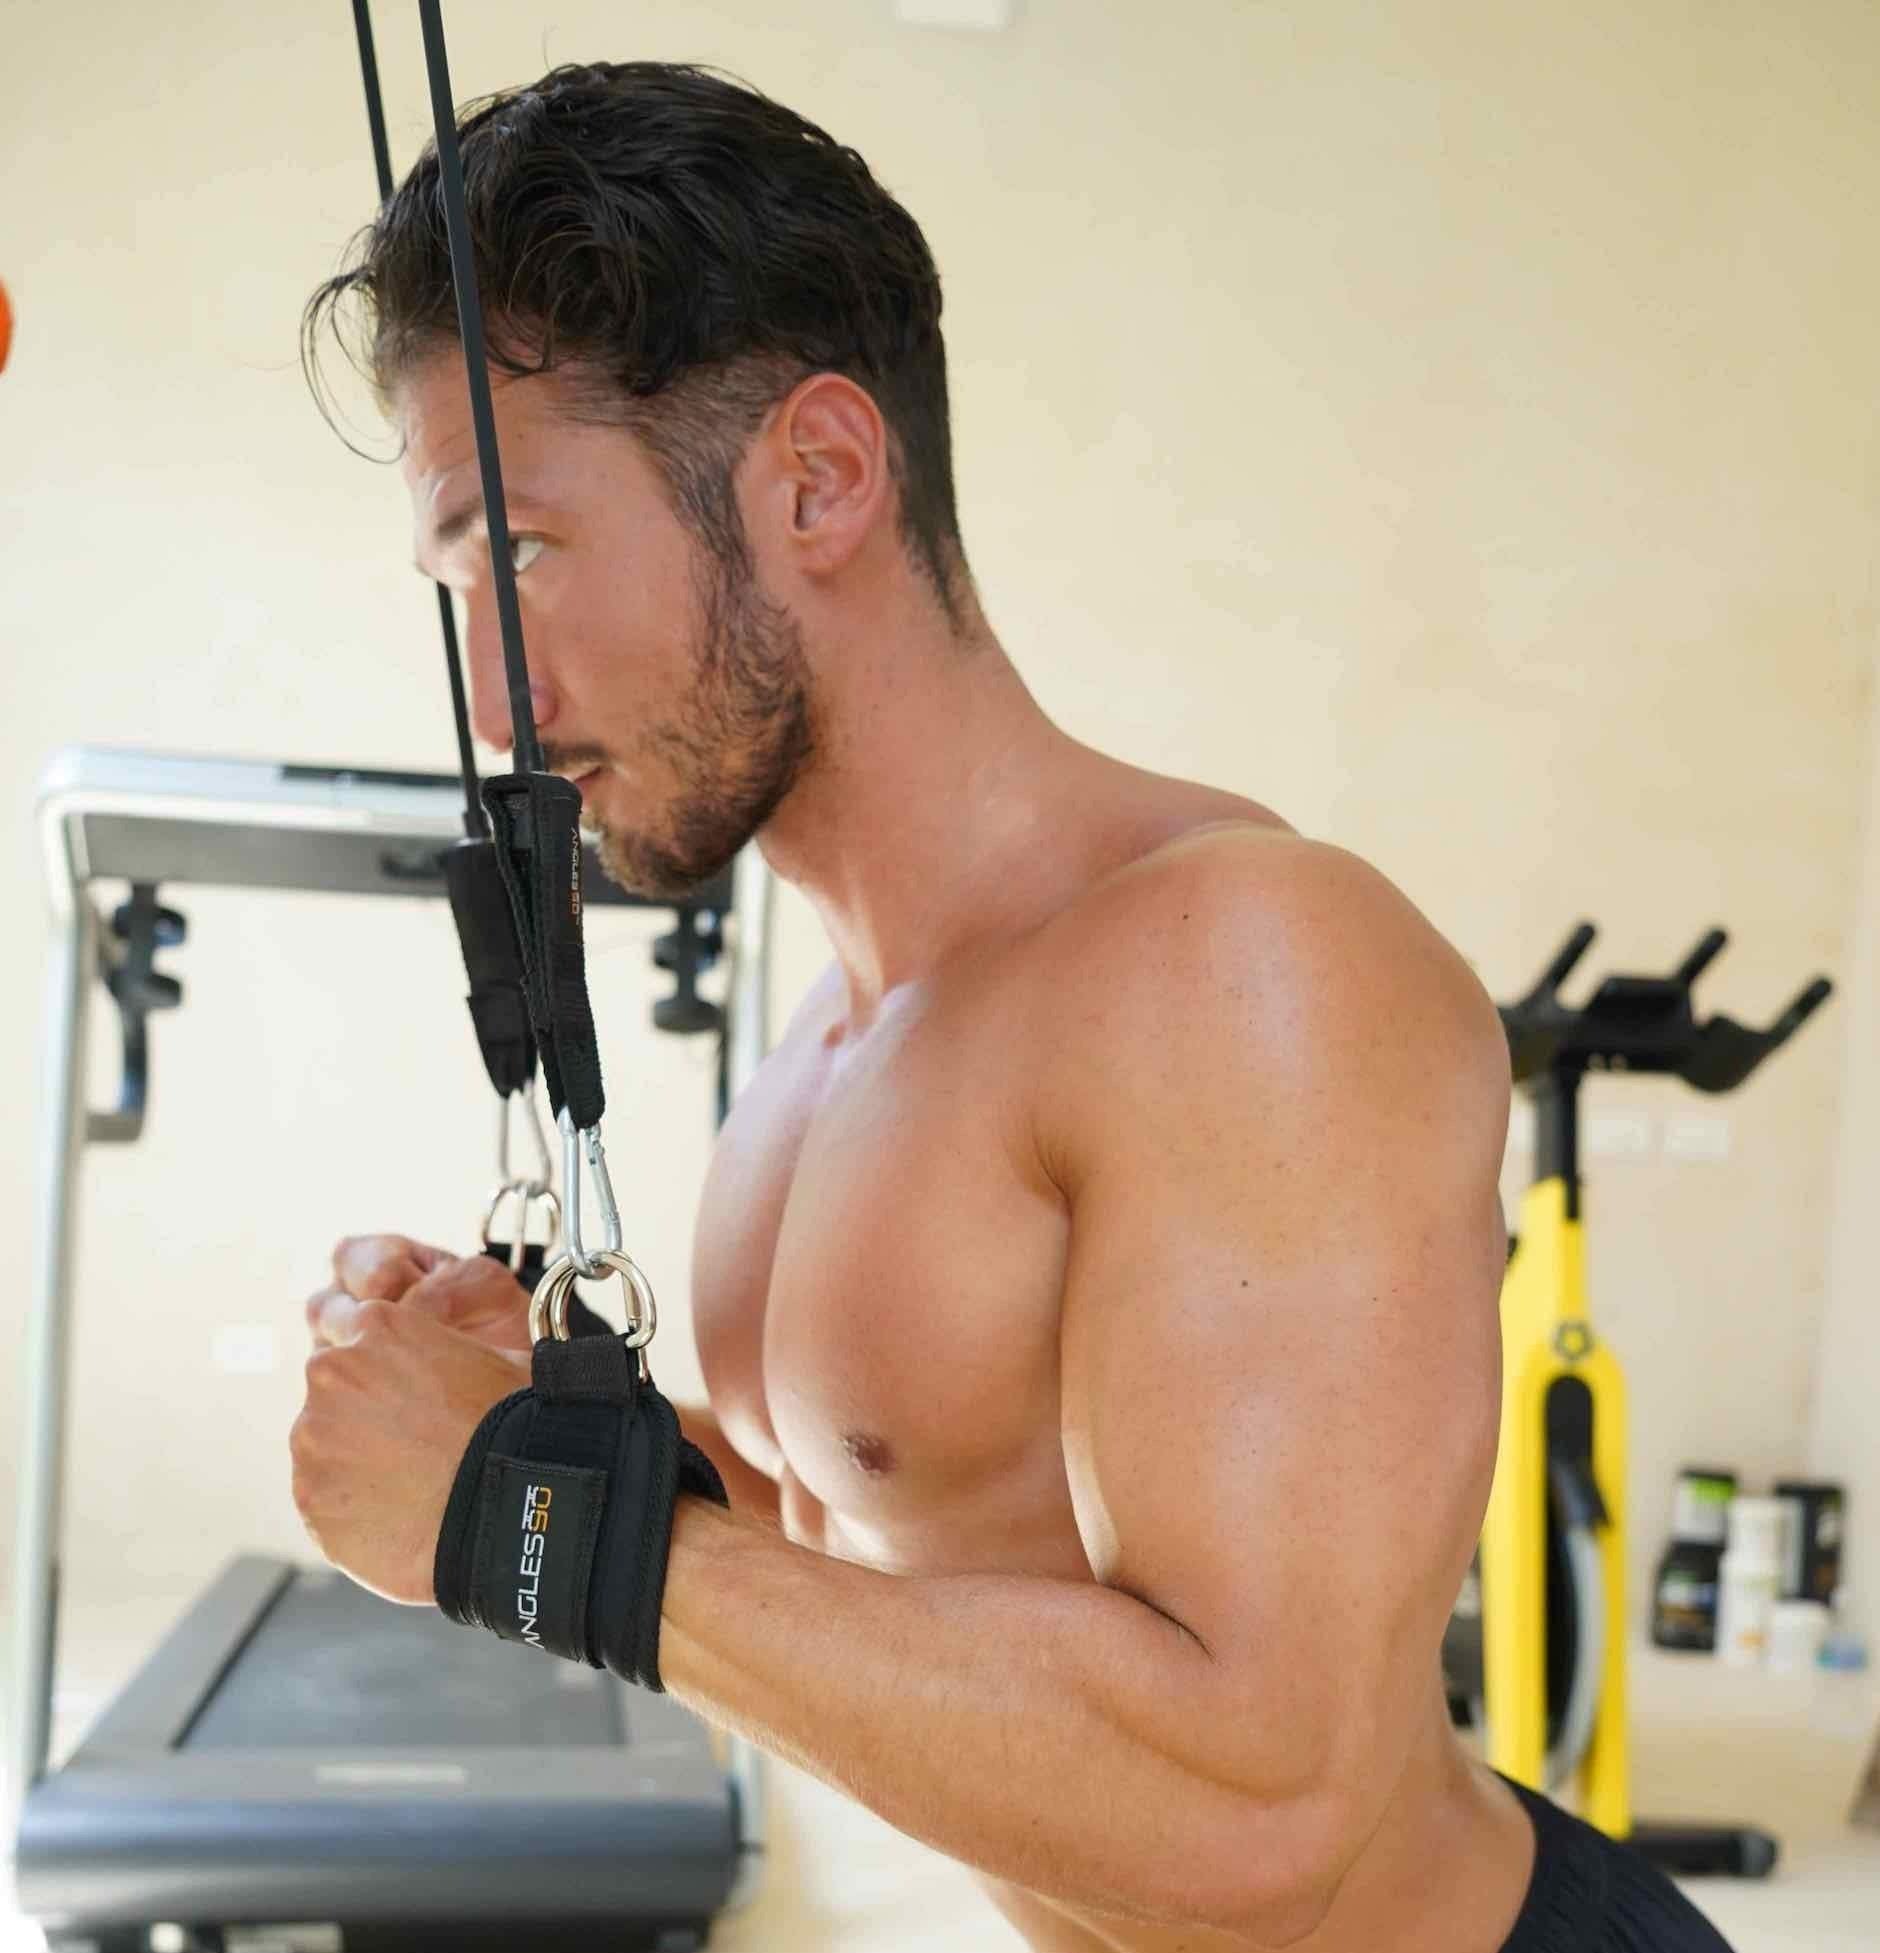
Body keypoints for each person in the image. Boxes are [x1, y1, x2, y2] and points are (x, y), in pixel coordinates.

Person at [290, 61, 1734, 1953]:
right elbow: (900, 1570)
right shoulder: (820, 1068)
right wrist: (581, 1438)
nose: (492, 693)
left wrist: (527, 1519)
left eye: (528, 552)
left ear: (817, 477)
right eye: (455, 587)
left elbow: (1269, 1792)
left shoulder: (1240, 965)